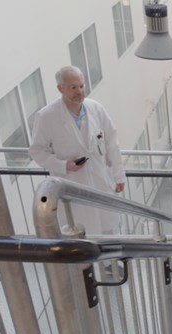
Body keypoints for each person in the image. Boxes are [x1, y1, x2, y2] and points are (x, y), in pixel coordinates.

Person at [29, 65, 126, 235]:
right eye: (73, 87)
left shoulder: (96, 108)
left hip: (101, 180)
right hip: (72, 183)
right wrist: (63, 165)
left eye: (81, 86)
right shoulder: (47, 116)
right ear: (60, 88)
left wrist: (118, 175)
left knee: (107, 232)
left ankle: (109, 262)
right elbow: (37, 151)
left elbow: (112, 142)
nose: (79, 91)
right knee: (80, 232)